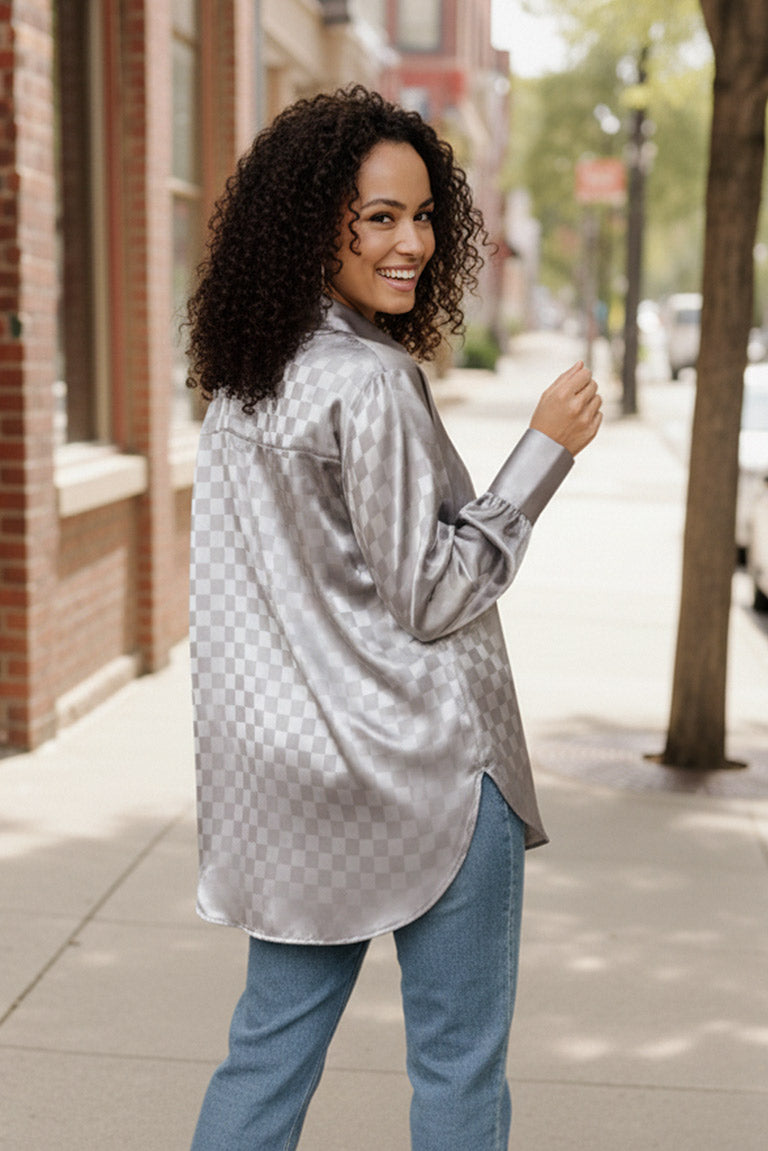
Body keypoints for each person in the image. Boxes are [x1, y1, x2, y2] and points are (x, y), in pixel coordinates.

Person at [186, 86, 601, 1151]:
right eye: (379, 216)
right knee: (458, 1068)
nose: (411, 241)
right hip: (436, 771)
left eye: (421, 215)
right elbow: (436, 592)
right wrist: (544, 448)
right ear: (314, 218)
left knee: (264, 1056)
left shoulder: (244, 383)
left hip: (298, 781)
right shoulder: (367, 382)